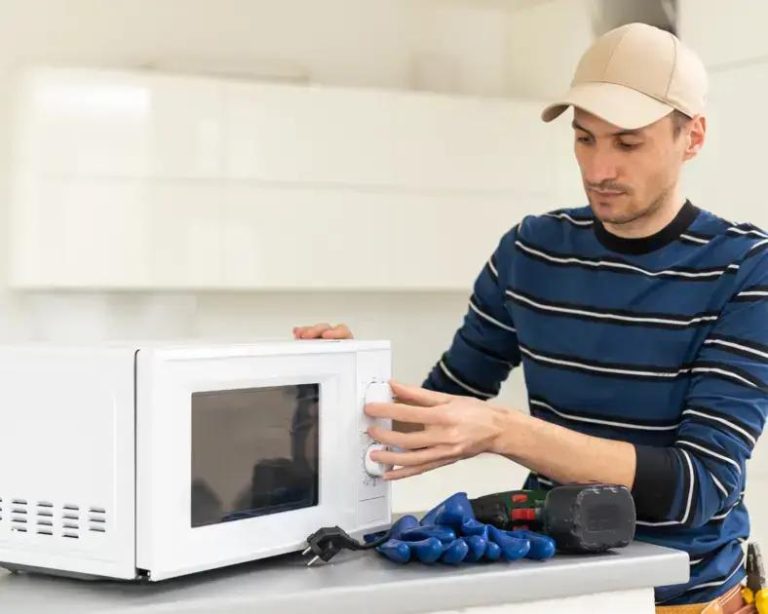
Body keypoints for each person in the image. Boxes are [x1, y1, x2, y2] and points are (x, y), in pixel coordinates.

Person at [294, 23, 767, 612]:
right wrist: (346, 382)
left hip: (685, 600)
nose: (599, 169)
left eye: (627, 144)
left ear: (691, 137)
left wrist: (506, 432)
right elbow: (441, 411)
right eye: (585, 138)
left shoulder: (746, 270)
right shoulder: (530, 252)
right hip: (556, 589)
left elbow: (699, 487)